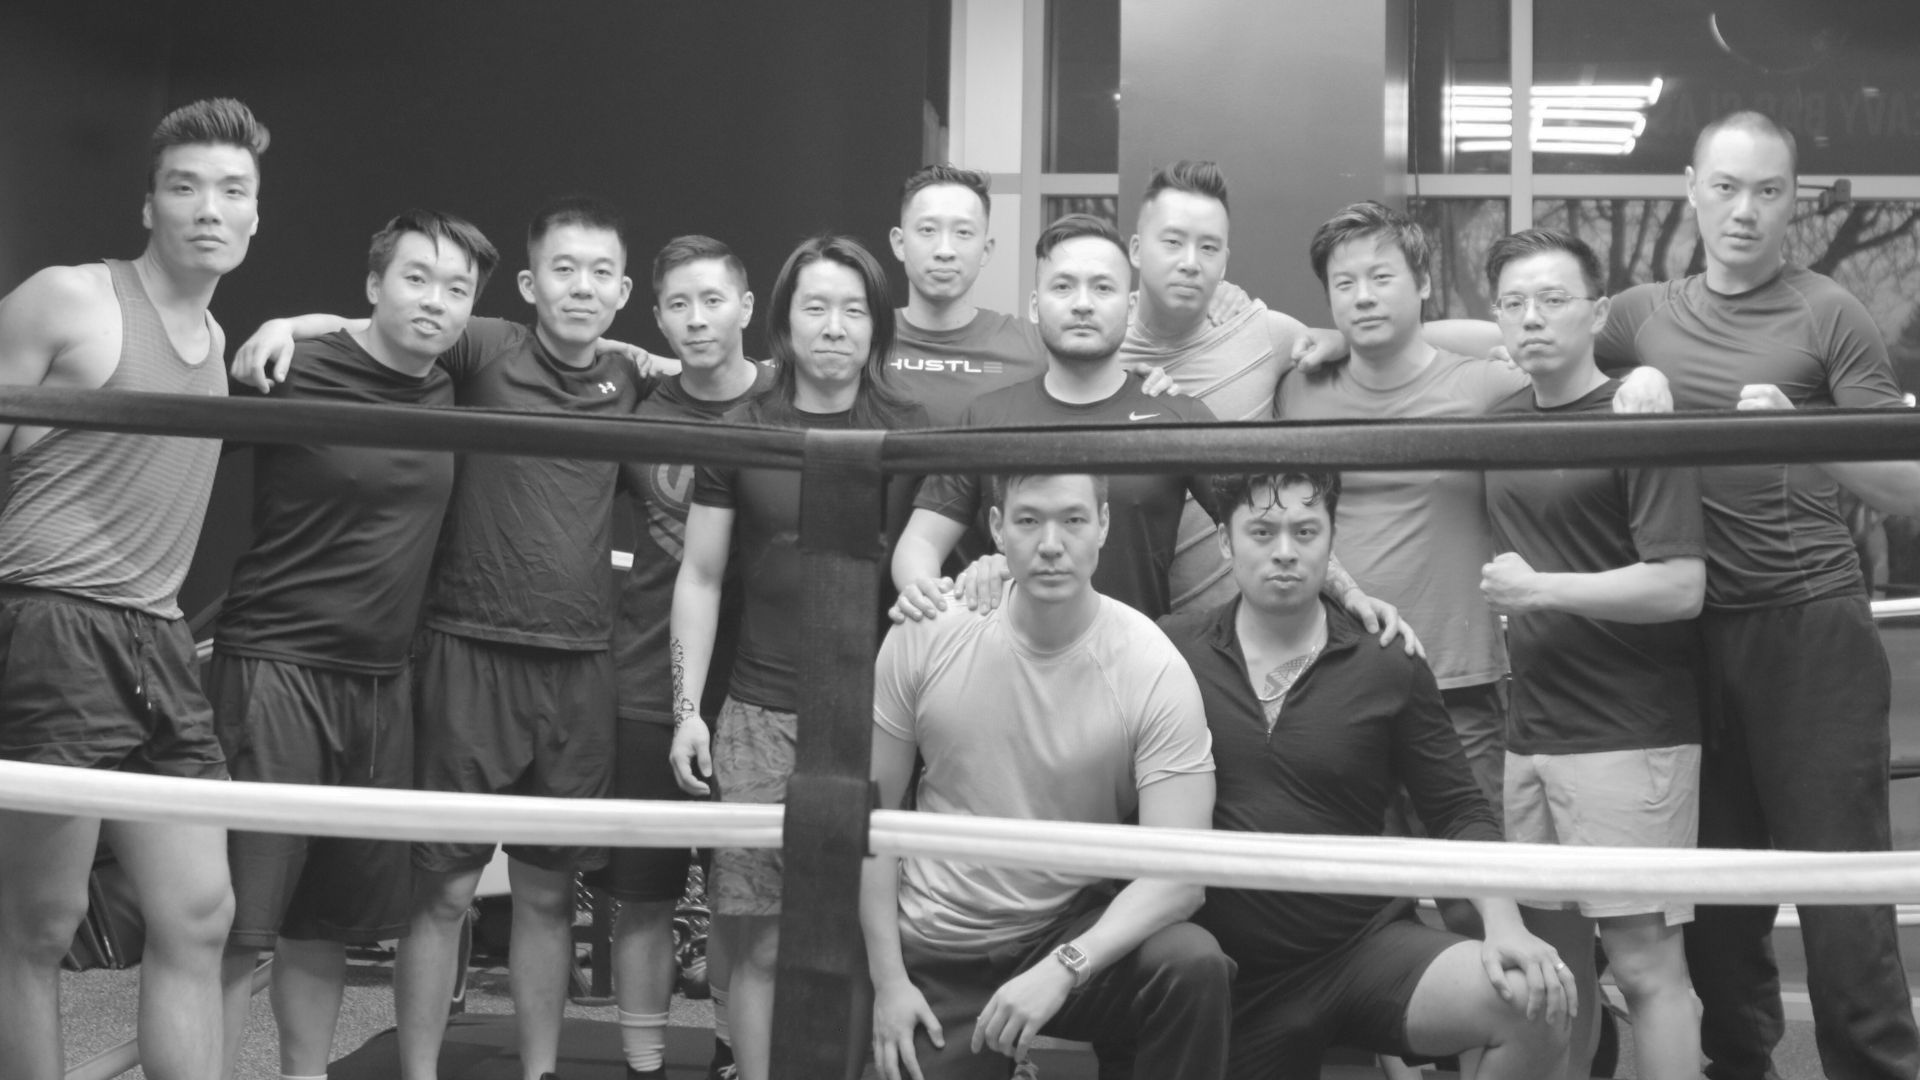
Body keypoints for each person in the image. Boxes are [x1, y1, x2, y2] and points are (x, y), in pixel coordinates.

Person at [233, 197, 665, 1080]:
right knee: (441, 892)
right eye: (563, 269)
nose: (581, 287)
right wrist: (285, 323)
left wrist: (672, 358)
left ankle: (540, 1071)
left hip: (579, 667)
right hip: (463, 654)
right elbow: (383, 320)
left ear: (623, 292)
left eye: (600, 274)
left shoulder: (630, 379)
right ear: (528, 284)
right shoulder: (484, 345)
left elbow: (712, 381)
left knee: (548, 895)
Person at [1596, 111, 1920, 1080]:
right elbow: (1516, 337)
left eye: (1768, 191)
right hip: (1683, 630)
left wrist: (1805, 429)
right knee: (1716, 895)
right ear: (1690, 190)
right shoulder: (1638, 316)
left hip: (1808, 624)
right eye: (1727, 187)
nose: (1745, 210)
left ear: (1792, 205)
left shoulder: (1830, 313)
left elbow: (1907, 489)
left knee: (1839, 890)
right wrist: (1304, 345)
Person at [0, 97, 266, 1080]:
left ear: (255, 216)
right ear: (149, 205)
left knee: (199, 914)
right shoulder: (70, 299)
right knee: (39, 922)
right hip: (54, 619)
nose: (209, 208)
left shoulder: (221, 343)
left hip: (159, 639)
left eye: (231, 190)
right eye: (185, 187)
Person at [1159, 470, 1573, 1080]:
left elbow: (1458, 810)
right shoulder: (1170, 652)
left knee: (1534, 999)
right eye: (1262, 532)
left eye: (1305, 531)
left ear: (1331, 542)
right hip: (1226, 971)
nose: (1284, 551)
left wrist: (1505, 923)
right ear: (1225, 542)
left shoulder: (1387, 659)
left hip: (1363, 951)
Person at [210, 209, 499, 1080]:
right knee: (236, 925)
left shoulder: (455, 381)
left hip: (381, 687)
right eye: (416, 278)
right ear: (374, 284)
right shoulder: (295, 368)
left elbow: (581, 342)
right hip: (276, 671)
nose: (436, 301)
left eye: (456, 289)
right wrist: (286, 326)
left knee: (324, 925)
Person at [889, 213, 1411, 644]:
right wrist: (945, 599)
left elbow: (1270, 515)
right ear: (1034, 306)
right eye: (1063, 286)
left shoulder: (1176, 415)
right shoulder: (986, 416)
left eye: (1103, 287)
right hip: (1004, 667)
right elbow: (918, 547)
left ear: (1129, 304)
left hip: (1137, 676)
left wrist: (1349, 594)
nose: (1083, 303)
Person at [863, 471, 1231, 1080]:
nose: (1051, 544)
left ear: (1103, 526)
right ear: (997, 528)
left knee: (1191, 965)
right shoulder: (928, 631)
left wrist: (1066, 964)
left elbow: (1182, 877)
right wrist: (889, 983)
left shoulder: (1151, 665)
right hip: (941, 944)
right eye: (1029, 520)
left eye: (1074, 520)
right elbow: (868, 822)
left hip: (1064, 932)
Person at [668, 234, 928, 1080]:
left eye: (853, 309)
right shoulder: (744, 429)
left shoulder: (913, 431)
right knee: (765, 944)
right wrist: (686, 710)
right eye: (816, 307)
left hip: (880, 721)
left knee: (865, 937)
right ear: (783, 321)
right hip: (758, 715)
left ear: (877, 323)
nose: (834, 326)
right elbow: (701, 576)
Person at [1479, 227, 1707, 1080]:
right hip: (1532, 734)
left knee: (1648, 972)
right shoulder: (1499, 422)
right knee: (1554, 976)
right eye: (1513, 303)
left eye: (1553, 299)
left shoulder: (1637, 415)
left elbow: (1680, 586)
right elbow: (1423, 336)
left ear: (1598, 311)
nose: (1532, 318)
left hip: (1629, 734)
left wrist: (1540, 589)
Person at [1276, 201, 1537, 820]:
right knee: (1346, 873)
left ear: (1422, 282)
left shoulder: (1487, 389)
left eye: (1381, 277)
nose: (1363, 296)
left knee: (1471, 866)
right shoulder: (1298, 392)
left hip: (1458, 682)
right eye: (1344, 284)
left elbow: (1559, 362)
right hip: (1334, 676)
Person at [585, 235, 774, 1080]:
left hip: (761, 692)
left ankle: (736, 1054)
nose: (698, 320)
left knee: (744, 900)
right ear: (657, 317)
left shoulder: (785, 401)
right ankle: (644, 1065)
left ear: (747, 307)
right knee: (644, 893)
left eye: (713, 300)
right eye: (678, 305)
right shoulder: (637, 409)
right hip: (645, 685)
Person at [887, 164, 1044, 426]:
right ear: (899, 243)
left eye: (963, 232)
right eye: (928, 230)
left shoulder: (1034, 348)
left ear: (986, 250)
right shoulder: (862, 340)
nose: (944, 250)